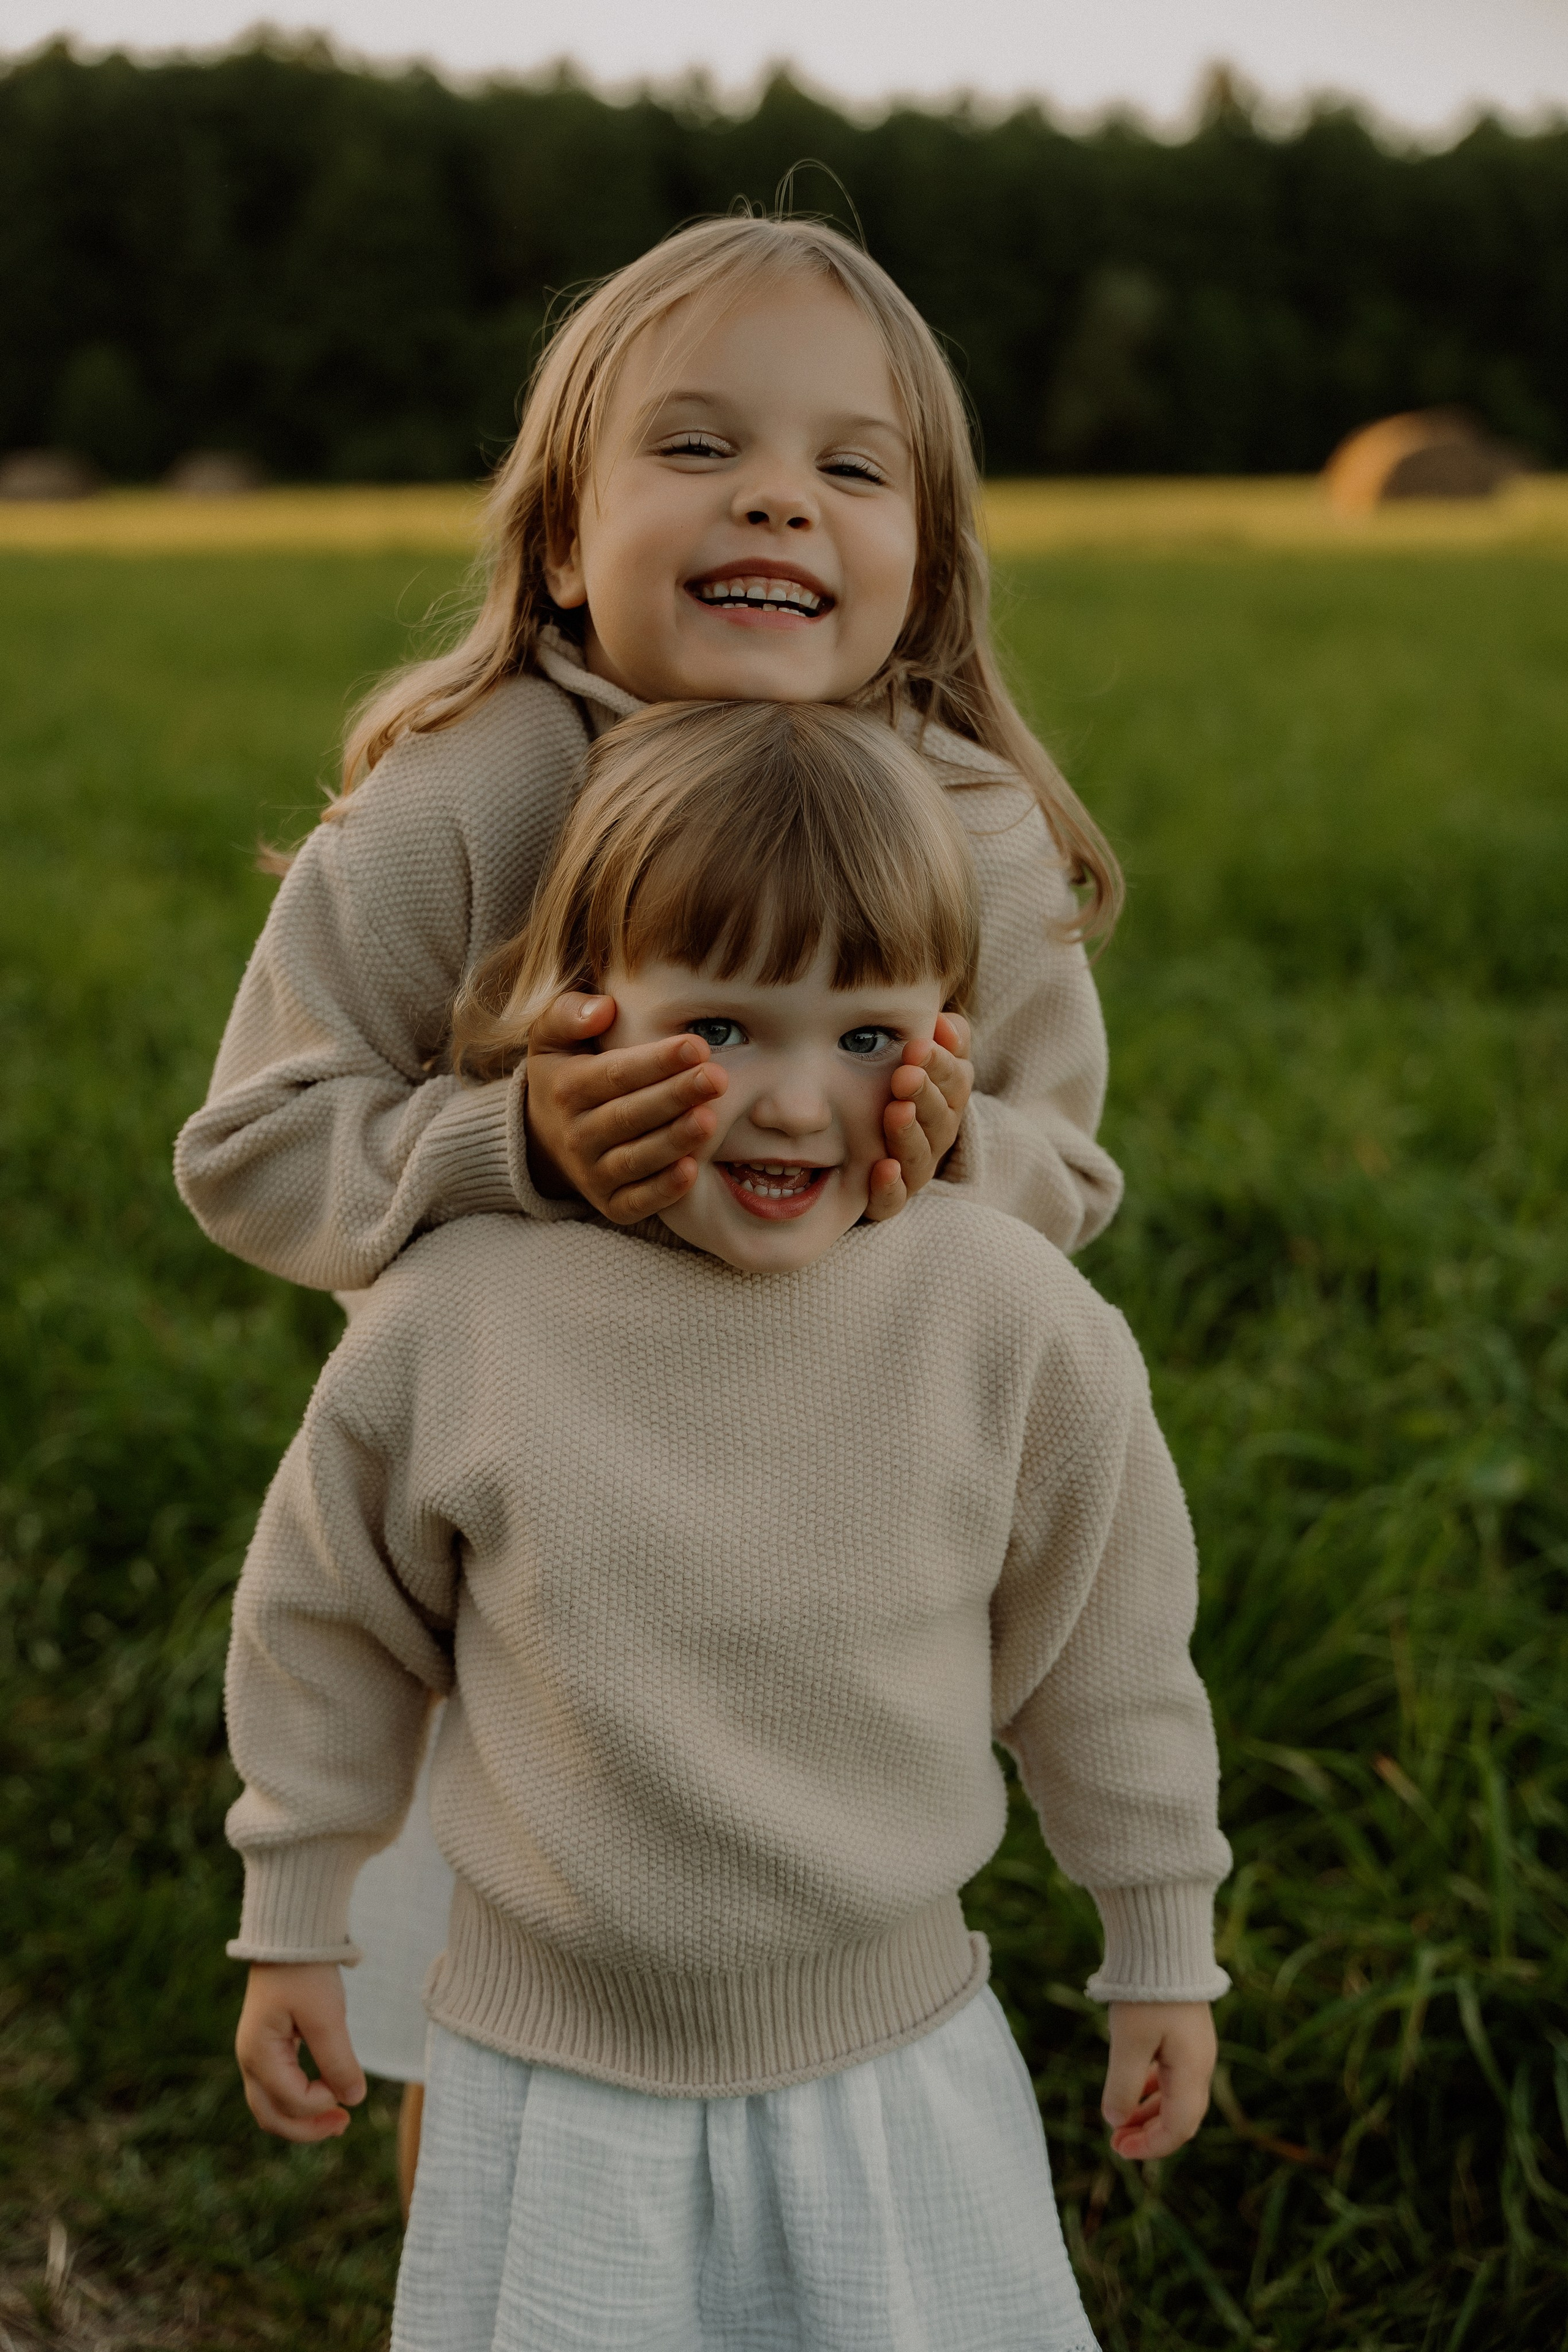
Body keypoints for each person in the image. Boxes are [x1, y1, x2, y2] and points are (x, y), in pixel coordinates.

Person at [176, 210, 1126, 2150]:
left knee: (815, 2023)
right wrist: (508, 1146)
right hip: (532, 1562)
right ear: (557, 533)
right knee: (498, 2022)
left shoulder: (971, 836)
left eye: (849, 470)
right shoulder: (468, 797)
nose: (776, 501)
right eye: (697, 450)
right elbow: (256, 1145)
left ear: (925, 567)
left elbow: (1065, 1167)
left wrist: (937, 1166)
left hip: (831, 1553)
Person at [225, 702, 1229, 2352]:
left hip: (893, 2059)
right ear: (583, 1017)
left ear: (952, 1035)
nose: (788, 1104)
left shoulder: (1006, 1317)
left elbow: (1110, 1660)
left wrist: (1161, 1948)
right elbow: (328, 1624)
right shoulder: (460, 1314)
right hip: (551, 2074)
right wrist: (298, 1916)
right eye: (723, 1030)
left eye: (861, 1038)